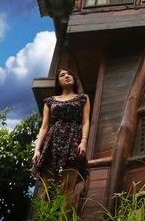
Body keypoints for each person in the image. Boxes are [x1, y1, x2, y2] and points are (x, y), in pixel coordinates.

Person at [32, 68, 91, 205]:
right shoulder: (50, 101)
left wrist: (84, 142)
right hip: (52, 141)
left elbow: (85, 121)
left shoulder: (83, 98)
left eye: (69, 74)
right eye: (62, 75)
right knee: (47, 189)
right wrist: (37, 149)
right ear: (58, 82)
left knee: (67, 188)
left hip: (73, 140)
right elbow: (44, 127)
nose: (67, 76)